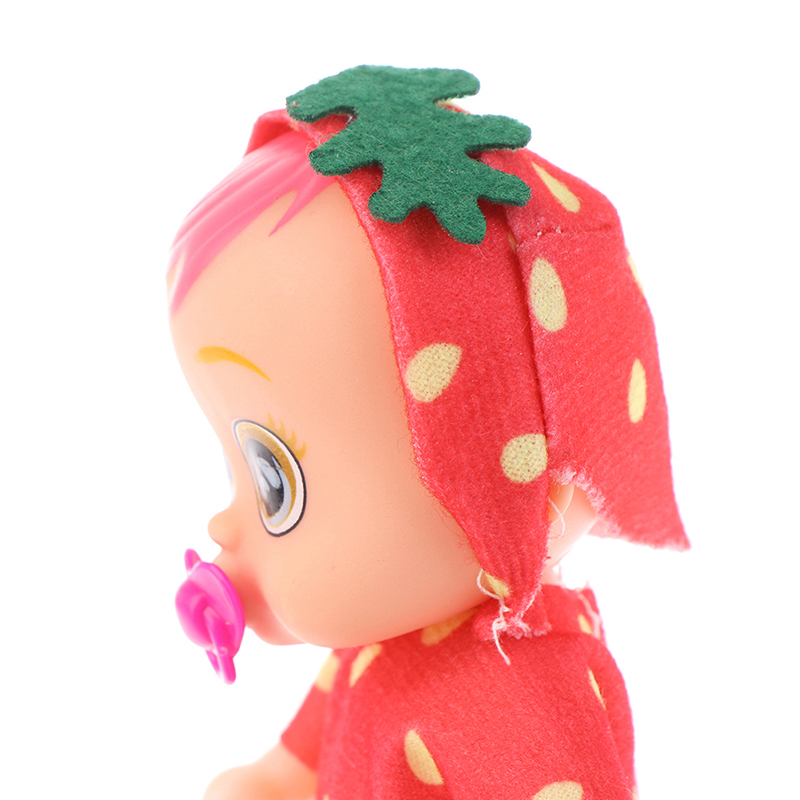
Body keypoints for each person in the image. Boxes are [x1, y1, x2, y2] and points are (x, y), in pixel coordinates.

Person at [168, 66, 687, 800]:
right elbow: (294, 766)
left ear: (523, 492)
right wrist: (261, 785)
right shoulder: (374, 648)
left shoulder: (527, 699)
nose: (225, 523)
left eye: (275, 481)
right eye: (240, 472)